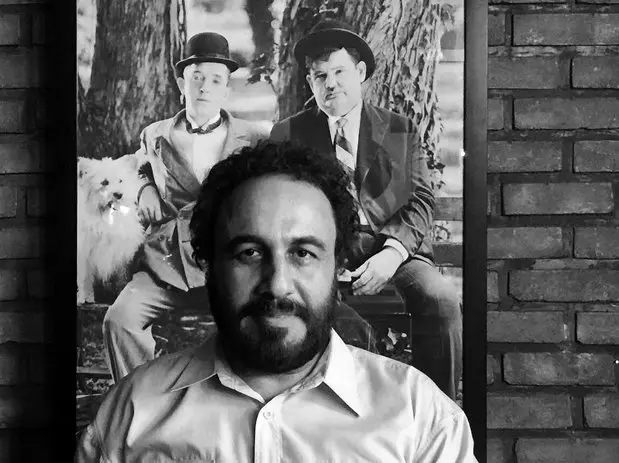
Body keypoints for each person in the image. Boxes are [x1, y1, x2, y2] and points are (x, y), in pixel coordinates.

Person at [76, 141, 477, 462]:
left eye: (303, 253)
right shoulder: (132, 413)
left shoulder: (421, 420)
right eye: (249, 252)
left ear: (337, 265)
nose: (277, 285)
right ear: (208, 265)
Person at [102, 31, 377, 382]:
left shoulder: (255, 136)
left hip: (230, 261)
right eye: (196, 77)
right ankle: (142, 396)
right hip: (168, 262)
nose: (205, 87)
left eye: (216, 80)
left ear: (226, 90)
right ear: (181, 83)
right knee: (119, 320)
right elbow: (134, 168)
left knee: (266, 322)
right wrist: (144, 190)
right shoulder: (155, 134)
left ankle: (253, 398)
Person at [270, 18, 463, 400]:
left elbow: (421, 199)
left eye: (339, 72)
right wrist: (318, 253)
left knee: (440, 300)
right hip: (324, 255)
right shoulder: (289, 134)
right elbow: (282, 205)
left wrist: (392, 254)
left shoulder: (399, 129)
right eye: (320, 76)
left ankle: (436, 411)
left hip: (394, 251)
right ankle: (345, 412)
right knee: (315, 310)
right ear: (310, 82)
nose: (331, 84)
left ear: (360, 73)